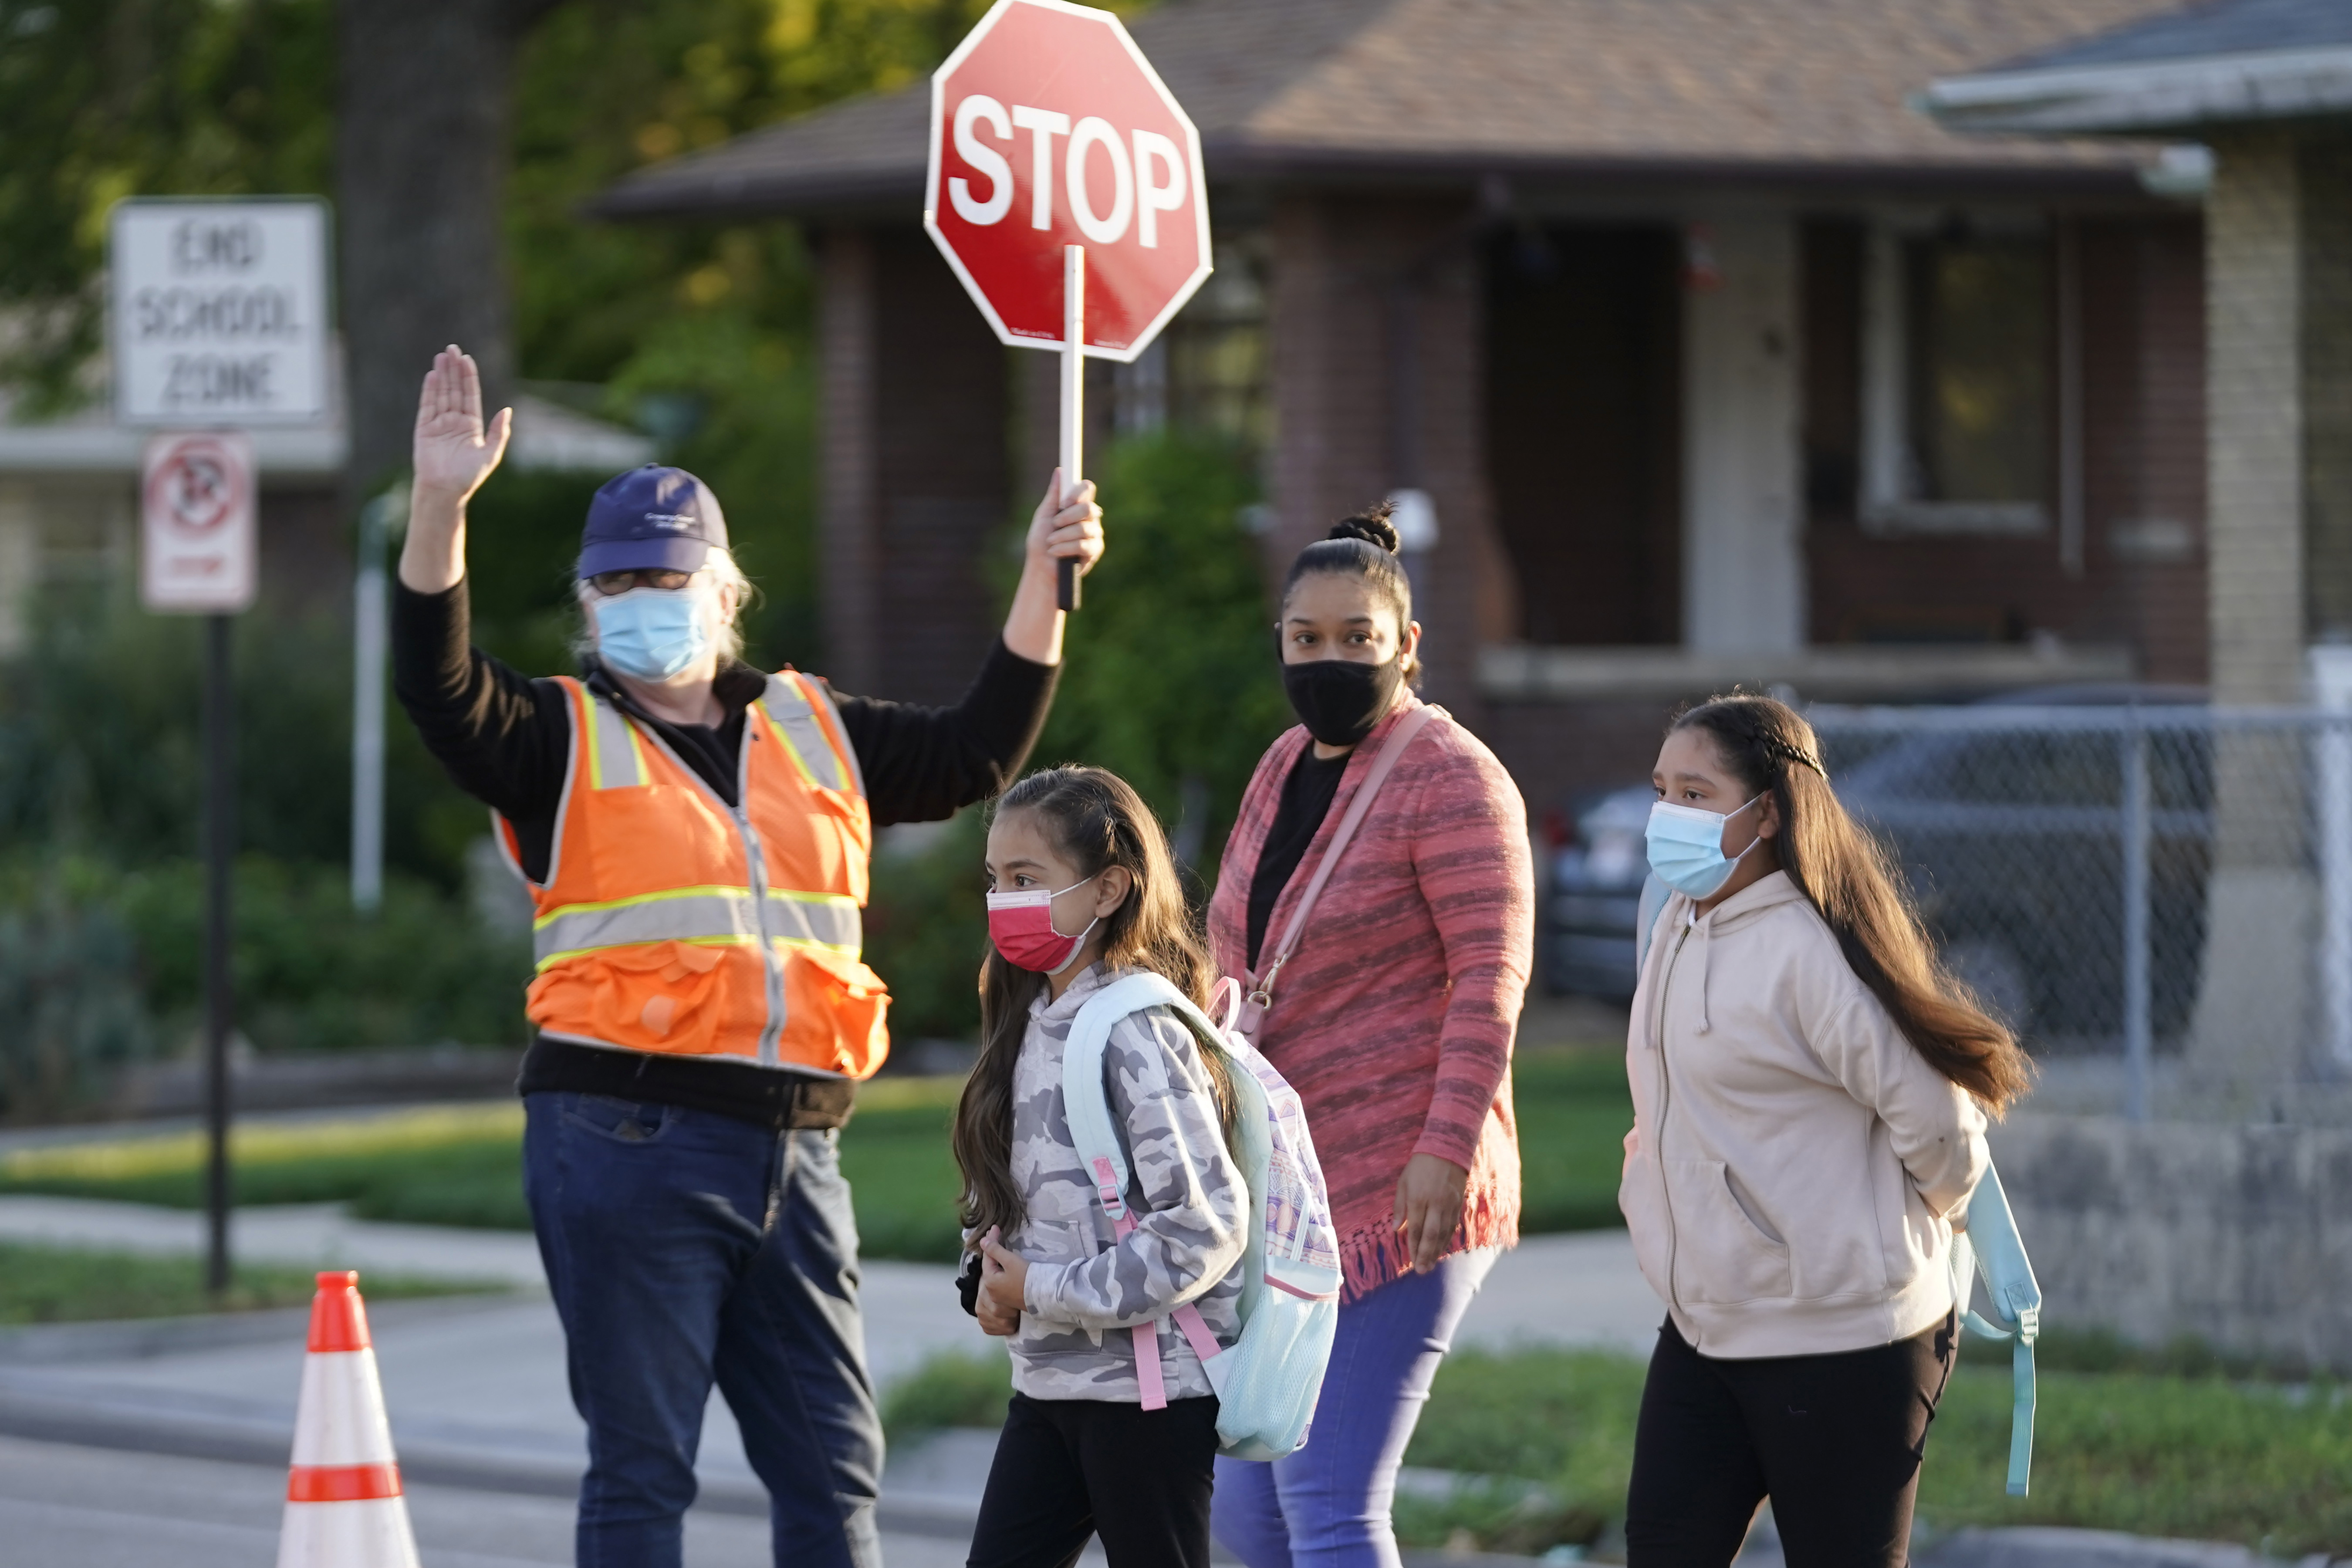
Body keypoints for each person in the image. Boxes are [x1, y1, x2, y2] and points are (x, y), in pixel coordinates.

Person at [389, 345, 1104, 1568]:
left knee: (833, 1473)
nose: (641, 600)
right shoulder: (554, 736)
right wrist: (441, 508)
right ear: (586, 603)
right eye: (615, 583)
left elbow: (978, 752)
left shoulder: (815, 724)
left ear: (726, 592)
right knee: (646, 1469)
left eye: (667, 577)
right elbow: (439, 687)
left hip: (800, 1146)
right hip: (625, 1141)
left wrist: (1043, 576)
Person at [1618, 694, 2034, 1567]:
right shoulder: (1676, 927)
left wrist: (1889, 1229)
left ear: (1765, 811)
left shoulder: (1812, 953)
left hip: (1847, 1342)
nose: (1668, 815)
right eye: (1662, 790)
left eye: (1696, 794)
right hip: (1706, 1328)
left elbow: (1941, 1125)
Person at [1204, 508, 1534, 1568]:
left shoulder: (1452, 776)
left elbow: (1491, 980)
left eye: (1358, 637)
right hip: (1289, 1193)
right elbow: (1229, 945)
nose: (1330, 658)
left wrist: (1445, 1149)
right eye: (1308, 638)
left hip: (1404, 1186)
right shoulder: (1283, 763)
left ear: (1407, 645)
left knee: (1331, 1501)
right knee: (1246, 1514)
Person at [952, 766, 1250, 1568]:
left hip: (1145, 1401)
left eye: (1027, 879)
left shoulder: (1137, 1030)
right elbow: (1026, 1197)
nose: (1003, 901)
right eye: (995, 880)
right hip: (1049, 1388)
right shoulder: (1029, 1017)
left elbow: (1205, 1225)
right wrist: (985, 1281)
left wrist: (1041, 1290)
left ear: (1108, 889)